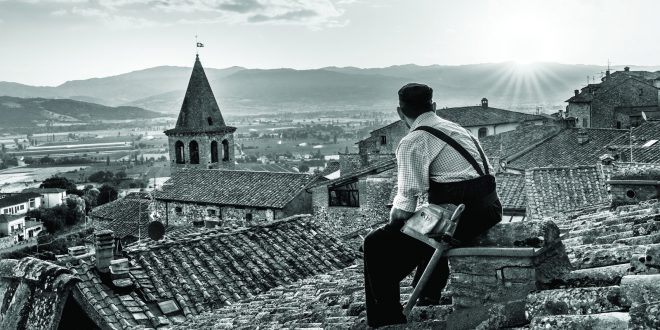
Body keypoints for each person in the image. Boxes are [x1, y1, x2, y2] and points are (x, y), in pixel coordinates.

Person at [363, 83, 502, 328]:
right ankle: (427, 293)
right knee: (427, 218)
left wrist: (393, 224)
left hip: (459, 218)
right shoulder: (455, 128)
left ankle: (386, 319)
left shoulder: (413, 141)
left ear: (399, 112)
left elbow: (404, 207)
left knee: (376, 243)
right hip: (489, 210)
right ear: (434, 106)